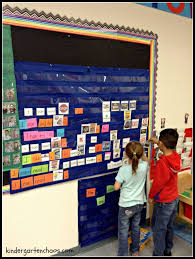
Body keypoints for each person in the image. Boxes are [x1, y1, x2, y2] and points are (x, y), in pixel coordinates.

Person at [148, 128, 181, 256]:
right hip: (173, 199)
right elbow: (167, 148)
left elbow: (158, 184)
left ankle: (159, 253)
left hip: (163, 202)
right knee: (169, 226)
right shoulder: (175, 156)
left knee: (158, 229)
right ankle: (168, 250)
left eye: (159, 143)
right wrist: (157, 142)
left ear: (162, 144)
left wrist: (151, 197)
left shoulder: (162, 163)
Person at [114, 141, 150, 256]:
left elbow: (116, 187)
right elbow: (148, 162)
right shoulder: (144, 166)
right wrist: (144, 156)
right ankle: (135, 251)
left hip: (126, 205)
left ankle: (123, 253)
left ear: (126, 154)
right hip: (139, 204)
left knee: (123, 230)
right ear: (141, 154)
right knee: (135, 227)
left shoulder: (123, 169)